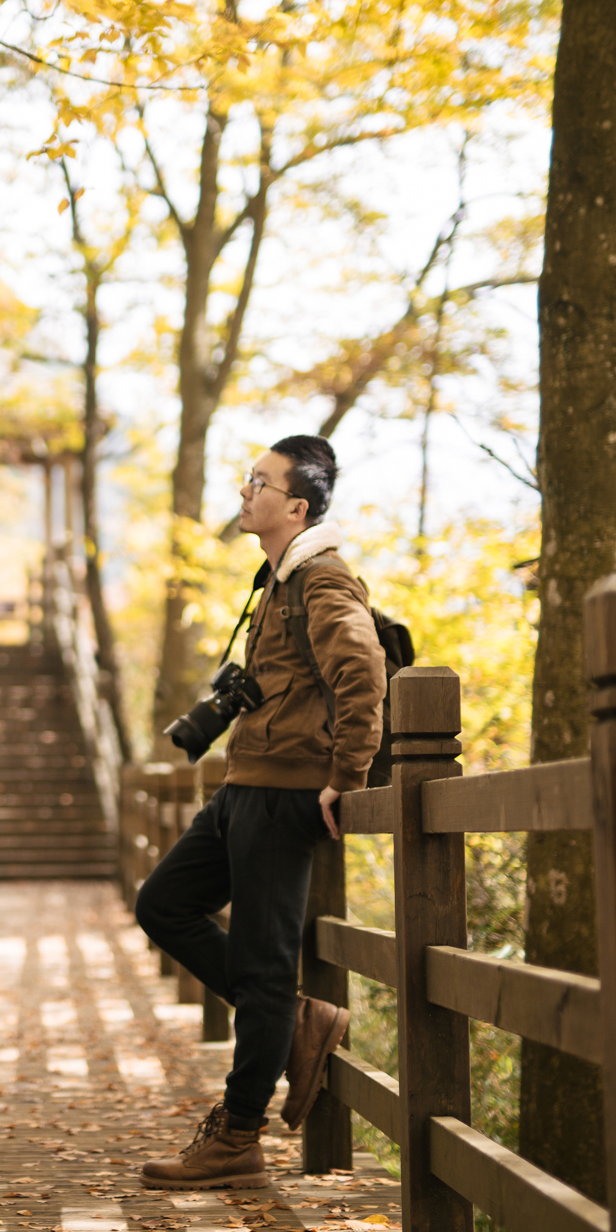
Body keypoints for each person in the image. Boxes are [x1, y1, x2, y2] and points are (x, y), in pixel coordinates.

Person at [135, 435, 385, 1189]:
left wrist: (347, 773)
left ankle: (239, 1133)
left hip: (286, 792)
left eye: (260, 482)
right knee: (163, 904)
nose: (247, 491)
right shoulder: (278, 577)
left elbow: (361, 668)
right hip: (246, 782)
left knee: (265, 963)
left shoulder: (323, 577)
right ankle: (292, 1017)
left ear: (296, 505)